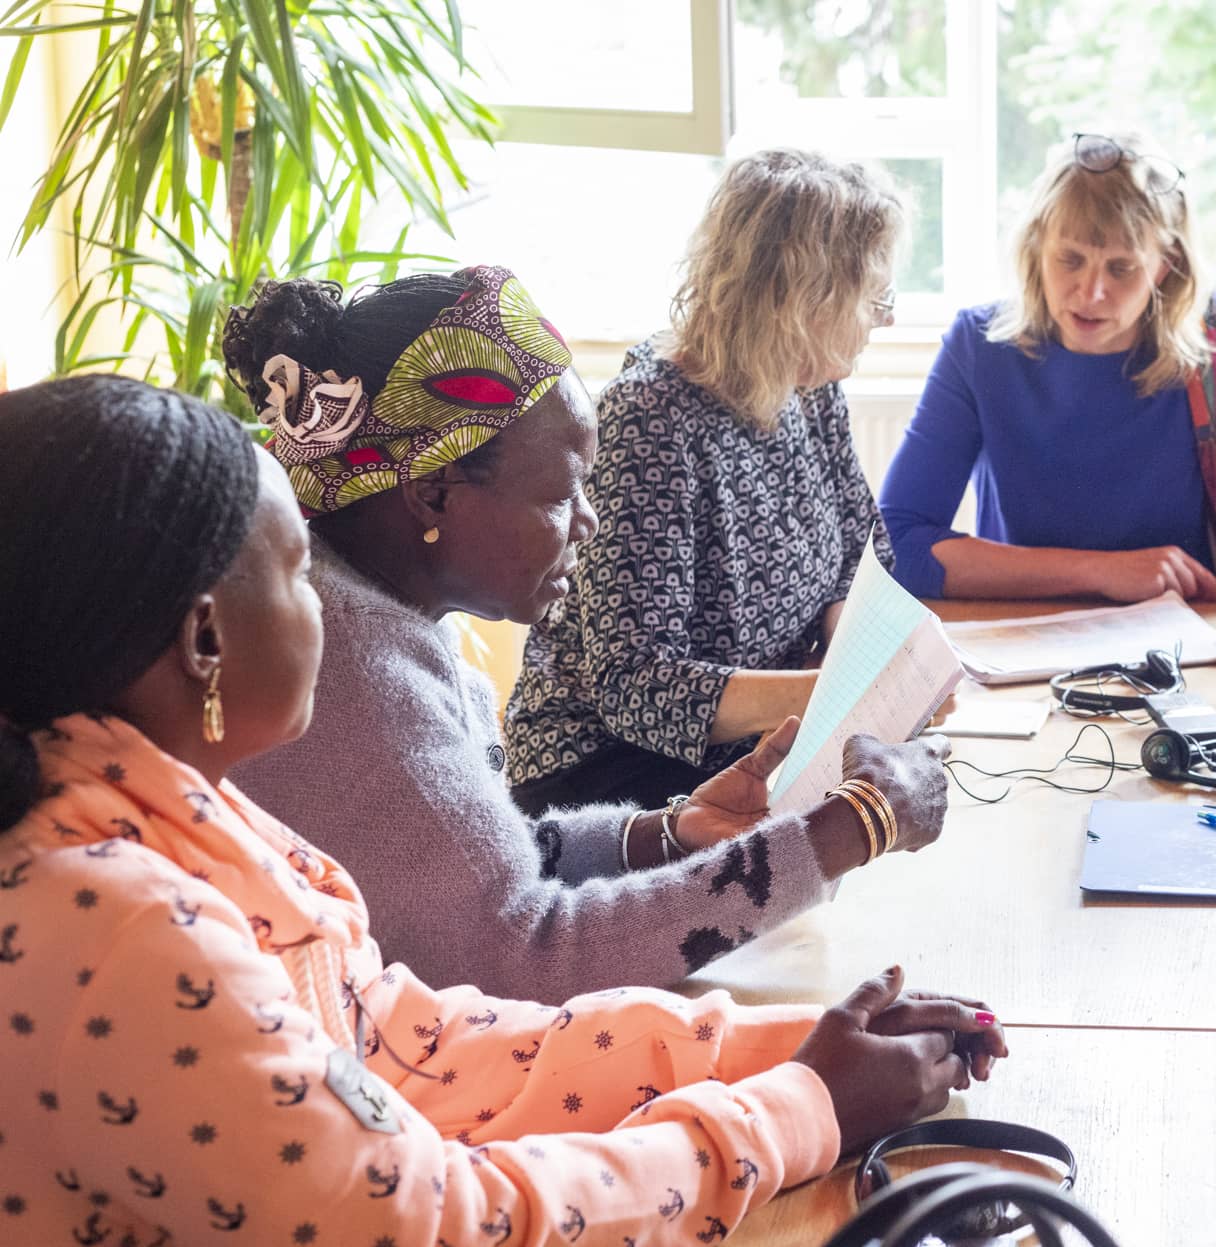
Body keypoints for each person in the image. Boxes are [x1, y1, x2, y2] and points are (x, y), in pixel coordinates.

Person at [0, 373, 1006, 1246]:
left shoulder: (174, 814)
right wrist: (801, 1107)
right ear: (205, 640)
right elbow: (434, 1220)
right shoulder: (125, 924)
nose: (327, 604)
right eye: (300, 572)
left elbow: (414, 1044)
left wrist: (789, 1046)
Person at [222, 266, 951, 1001]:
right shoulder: (358, 673)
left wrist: (663, 835)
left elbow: (474, 879)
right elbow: (524, 957)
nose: (588, 521)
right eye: (559, 493)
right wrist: (851, 827)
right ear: (432, 492)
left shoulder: (365, 611)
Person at [503, 149, 906, 811]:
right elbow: (636, 686)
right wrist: (837, 696)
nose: (883, 318)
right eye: (873, 298)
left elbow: (863, 556)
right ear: (803, 301)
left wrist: (855, 670)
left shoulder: (808, 385)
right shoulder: (649, 418)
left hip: (760, 746)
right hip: (611, 778)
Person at [876, 132, 1216, 667]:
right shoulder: (979, 343)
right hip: (1025, 651)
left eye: (1122, 268)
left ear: (1165, 265)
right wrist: (1100, 571)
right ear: (1036, 247)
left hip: (1192, 652)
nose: (1091, 292)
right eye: (1070, 259)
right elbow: (898, 544)